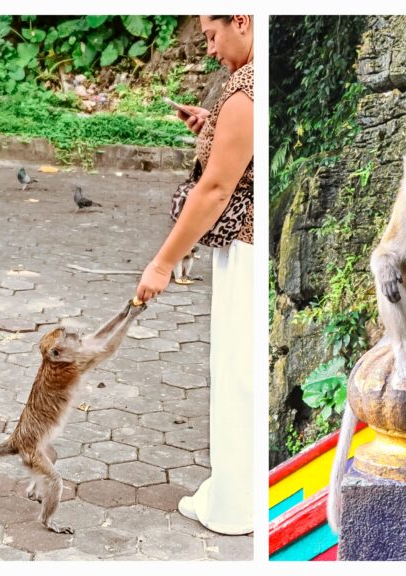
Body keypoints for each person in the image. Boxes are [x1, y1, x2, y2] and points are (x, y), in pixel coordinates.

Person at [135, 14, 254, 535]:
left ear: (243, 21)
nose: (208, 48)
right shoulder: (245, 87)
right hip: (246, 246)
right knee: (236, 371)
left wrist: (162, 263)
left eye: (211, 34)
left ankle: (235, 507)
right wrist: (213, 126)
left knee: (237, 378)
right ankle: (231, 490)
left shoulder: (248, 91)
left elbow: (214, 190)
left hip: (247, 250)